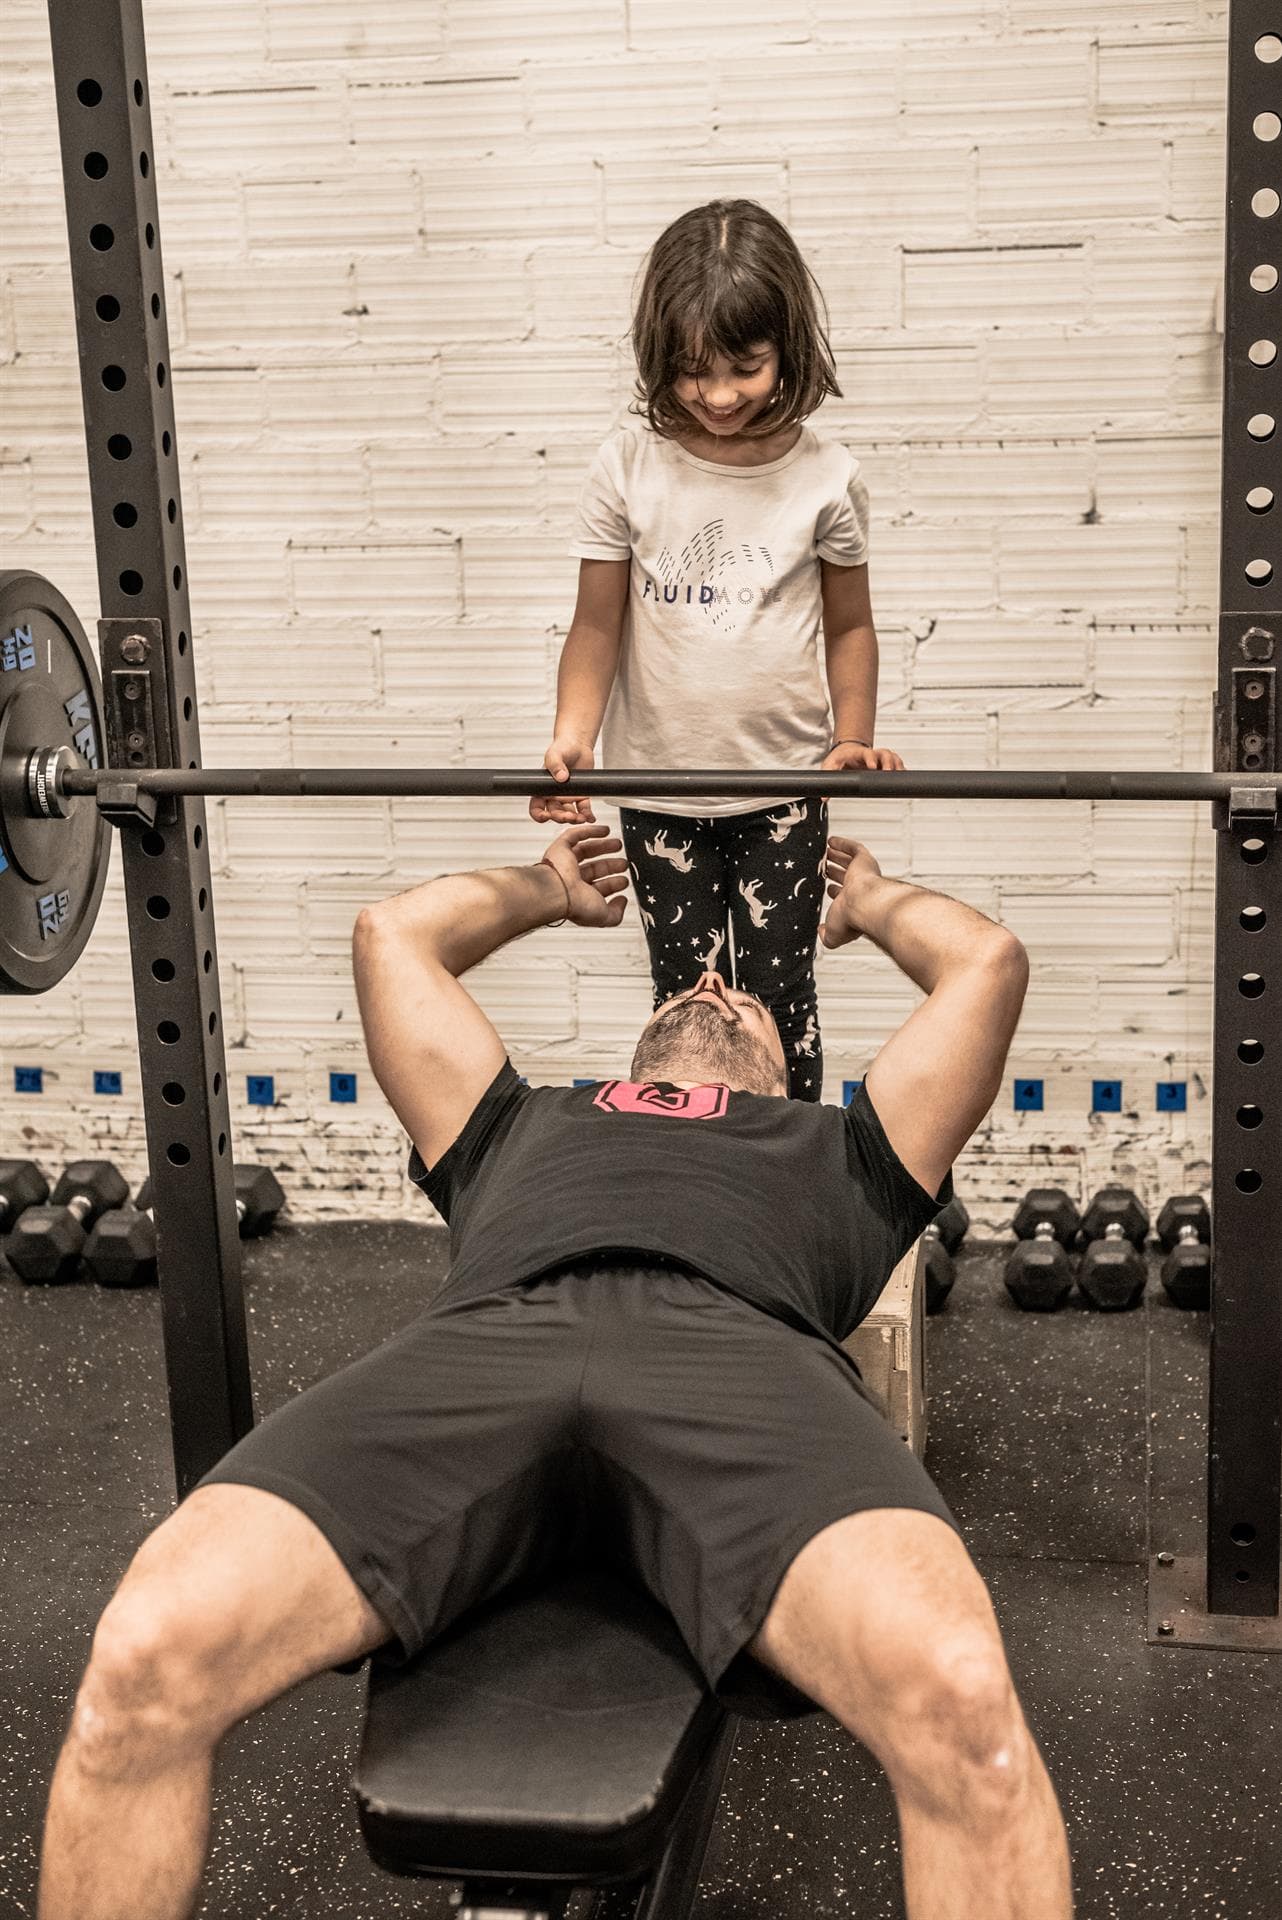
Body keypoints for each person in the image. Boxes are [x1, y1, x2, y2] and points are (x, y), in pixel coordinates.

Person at [39, 823, 1072, 1920]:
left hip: (744, 1370)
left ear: (783, 1071)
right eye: (695, 978)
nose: (714, 980)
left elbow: (985, 963)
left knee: (965, 1714)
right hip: (485, 1346)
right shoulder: (510, 1125)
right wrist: (544, 889)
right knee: (143, 1661)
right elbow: (393, 936)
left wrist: (864, 899)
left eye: (748, 996)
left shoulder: (852, 1152)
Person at [531, 197, 905, 1103]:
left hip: (782, 787)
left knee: (779, 1003)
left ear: (789, 349)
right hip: (656, 791)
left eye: (745, 366)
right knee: (685, 1008)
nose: (722, 394)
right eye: (694, 371)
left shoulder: (823, 476)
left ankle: (790, 1169)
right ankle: (693, 1179)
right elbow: (596, 625)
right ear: (661, 358)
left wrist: (851, 735)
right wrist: (573, 739)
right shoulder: (627, 466)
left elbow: (850, 626)